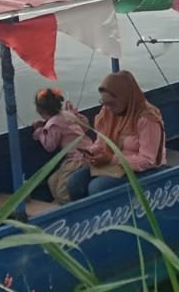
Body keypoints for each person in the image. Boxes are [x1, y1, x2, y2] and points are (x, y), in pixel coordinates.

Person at [65, 71, 167, 201]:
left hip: (145, 170)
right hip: (115, 164)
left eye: (112, 103)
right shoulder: (108, 112)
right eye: (104, 102)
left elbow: (148, 160)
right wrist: (91, 152)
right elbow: (101, 143)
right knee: (74, 183)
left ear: (125, 97)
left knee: (97, 188)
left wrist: (111, 160)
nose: (108, 108)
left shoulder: (147, 118)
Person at [32, 87, 91, 203]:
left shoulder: (53, 124)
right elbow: (85, 126)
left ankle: (71, 206)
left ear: (40, 110)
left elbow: (50, 146)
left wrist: (39, 131)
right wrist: (76, 114)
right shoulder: (68, 115)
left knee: (62, 191)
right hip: (86, 152)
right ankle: (60, 202)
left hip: (77, 158)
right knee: (52, 181)